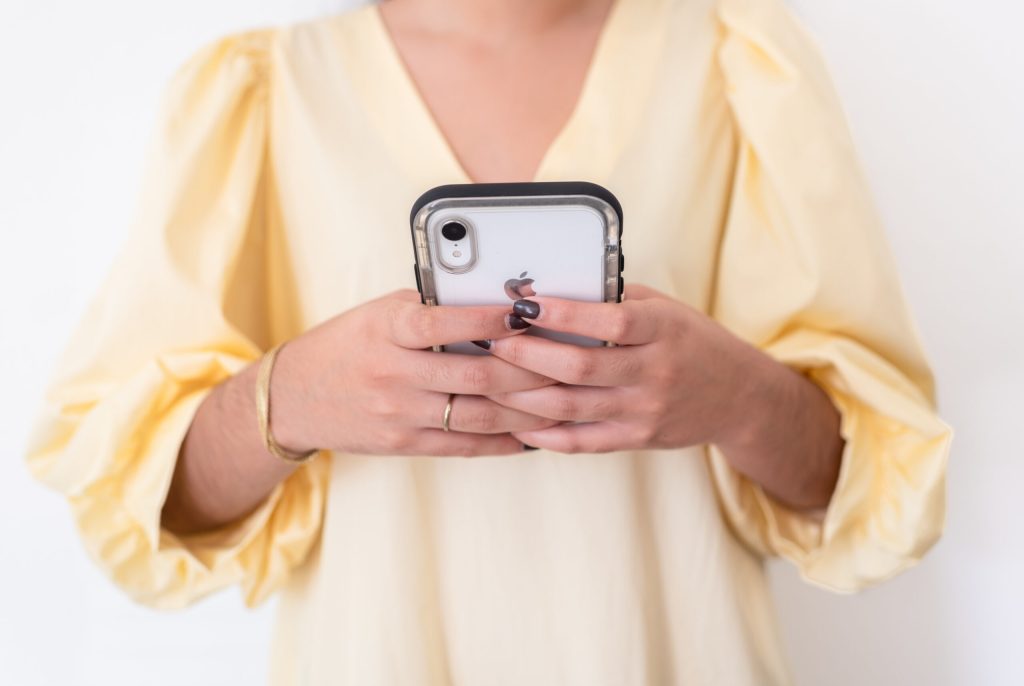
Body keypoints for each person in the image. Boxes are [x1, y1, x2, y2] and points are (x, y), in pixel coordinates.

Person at [26, 0, 952, 682]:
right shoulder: (261, 89)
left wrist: (737, 396)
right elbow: (149, 507)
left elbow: (867, 485)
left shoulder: (737, 59)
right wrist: (292, 397)